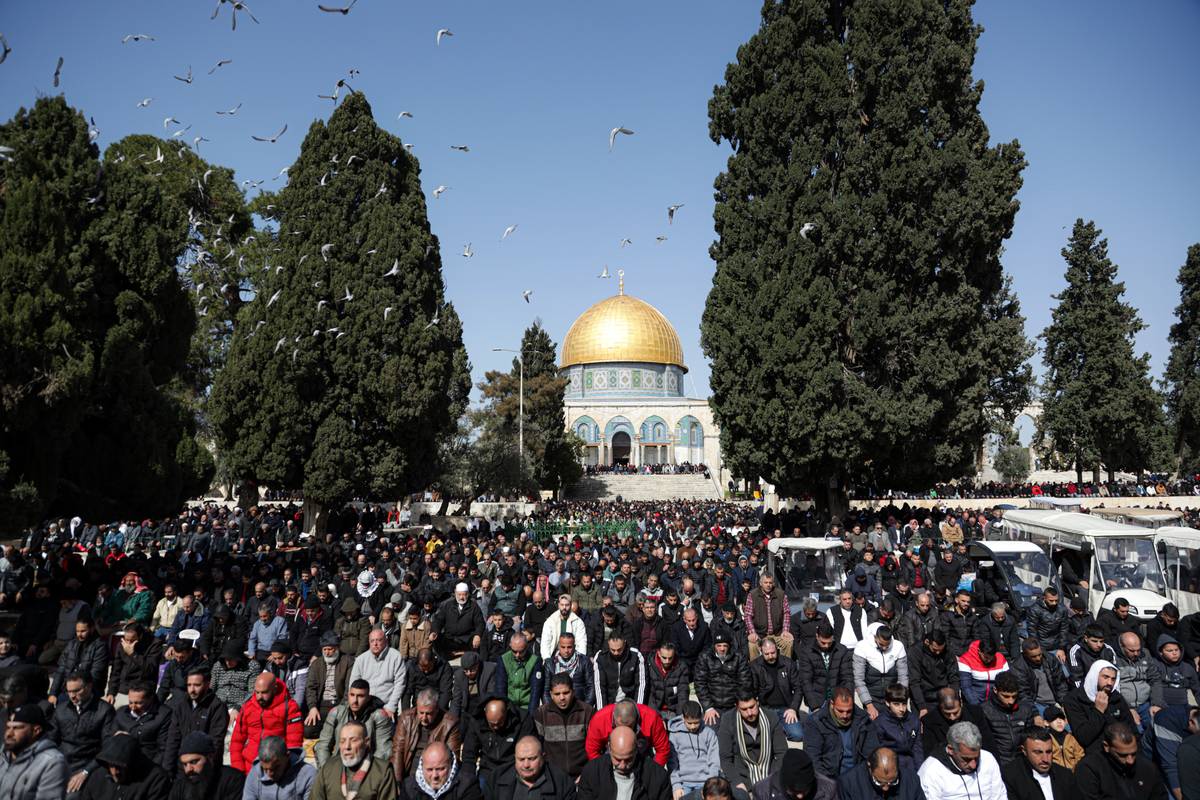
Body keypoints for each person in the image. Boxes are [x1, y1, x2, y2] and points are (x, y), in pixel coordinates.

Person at [50, 672, 113, 795]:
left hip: (86, 766)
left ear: (89, 687)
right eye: (69, 691)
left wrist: (86, 772)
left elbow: (107, 748)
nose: (72, 696)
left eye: (76, 691)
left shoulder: (104, 711)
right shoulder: (61, 709)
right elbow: (51, 739)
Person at [229, 674, 303, 774]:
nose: (259, 697)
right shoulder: (248, 707)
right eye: (257, 692)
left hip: (276, 768)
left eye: (264, 692)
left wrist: (284, 770)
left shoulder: (290, 708)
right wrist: (238, 770)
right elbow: (236, 742)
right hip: (250, 767)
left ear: (274, 689)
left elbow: (294, 744)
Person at [802, 687, 881, 780]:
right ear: (832, 704)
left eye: (849, 711)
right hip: (830, 778)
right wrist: (828, 783)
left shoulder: (863, 720)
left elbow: (872, 752)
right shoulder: (816, 722)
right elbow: (813, 758)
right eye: (840, 711)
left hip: (858, 776)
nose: (845, 715)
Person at [1075, 721, 1168, 800]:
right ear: (1106, 747)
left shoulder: (1147, 768)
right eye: (1122, 755)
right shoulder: (1089, 769)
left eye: (1133, 753)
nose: (1130, 760)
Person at [916, 721, 1006, 800]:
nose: (973, 765)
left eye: (976, 757)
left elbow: (999, 796)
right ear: (951, 749)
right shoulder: (931, 771)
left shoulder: (988, 758)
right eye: (966, 759)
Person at [1156, 635, 1199, 797]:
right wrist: (1158, 705)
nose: (1174, 653)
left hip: (1184, 709)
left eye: (1176, 650)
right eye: (1169, 651)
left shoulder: (1187, 668)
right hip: (1164, 710)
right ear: (1161, 652)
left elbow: (1196, 689)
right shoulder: (1157, 666)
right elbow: (1155, 686)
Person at [315, 679, 394, 767]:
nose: (355, 701)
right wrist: (327, 770)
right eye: (352, 695)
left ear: (368, 698)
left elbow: (384, 751)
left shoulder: (379, 716)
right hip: (340, 764)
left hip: (368, 765)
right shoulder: (336, 712)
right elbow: (323, 745)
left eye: (360, 696)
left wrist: (370, 772)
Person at [311, 719, 397, 800]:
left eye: (354, 740)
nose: (347, 746)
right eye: (342, 741)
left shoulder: (383, 771)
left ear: (366, 742)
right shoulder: (329, 767)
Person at [577, 727, 671, 800]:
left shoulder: (657, 777)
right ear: (609, 748)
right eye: (617, 759)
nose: (622, 766)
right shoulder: (592, 772)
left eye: (628, 759)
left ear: (636, 750)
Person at [1062, 659, 1135, 753]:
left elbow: (1132, 729)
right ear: (1095, 676)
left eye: (1113, 679)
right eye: (1105, 677)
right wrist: (1099, 711)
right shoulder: (1074, 699)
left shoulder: (1116, 697)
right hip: (1094, 755)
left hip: (1121, 751)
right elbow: (1084, 737)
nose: (1110, 683)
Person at [104, 680, 179, 772]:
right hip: (121, 764)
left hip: (147, 765)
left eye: (138, 703)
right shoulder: (121, 713)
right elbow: (108, 739)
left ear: (150, 699)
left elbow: (163, 749)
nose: (133, 707)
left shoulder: (163, 715)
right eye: (130, 702)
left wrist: (152, 771)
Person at [391, 687, 462, 781]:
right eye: (421, 713)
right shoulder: (406, 719)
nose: (424, 718)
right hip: (410, 770)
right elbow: (398, 751)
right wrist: (397, 782)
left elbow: (452, 757)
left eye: (428, 714)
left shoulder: (450, 724)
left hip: (434, 772)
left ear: (437, 710)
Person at [0, 704, 68, 800]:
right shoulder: (4, 756)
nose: (9, 734)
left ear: (36, 730)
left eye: (17, 728)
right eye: (8, 727)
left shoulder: (52, 762)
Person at [533, 674, 593, 780]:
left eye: (566, 693)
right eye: (557, 694)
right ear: (551, 694)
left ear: (573, 692)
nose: (562, 698)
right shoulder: (541, 714)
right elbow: (536, 748)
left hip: (583, 776)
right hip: (552, 778)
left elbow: (595, 747)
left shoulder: (587, 712)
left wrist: (587, 773)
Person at [1113, 631, 1163, 755]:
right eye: (1131, 650)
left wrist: (1156, 703)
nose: (1136, 653)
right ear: (1122, 646)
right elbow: (1112, 687)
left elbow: (1155, 679)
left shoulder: (1145, 654)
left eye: (1138, 650)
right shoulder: (1112, 656)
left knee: (1158, 728)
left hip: (1145, 704)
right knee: (1137, 732)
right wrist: (1127, 708)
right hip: (1125, 705)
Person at [77, 733, 169, 800]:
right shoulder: (98, 777)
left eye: (120, 767)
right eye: (111, 765)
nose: (115, 772)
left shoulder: (156, 779)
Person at [584, 699, 671, 767]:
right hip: (611, 760)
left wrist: (653, 772)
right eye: (620, 726)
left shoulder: (651, 718)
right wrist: (602, 770)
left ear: (636, 718)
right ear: (614, 718)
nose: (624, 731)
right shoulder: (599, 719)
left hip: (642, 758)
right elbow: (592, 750)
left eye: (629, 726)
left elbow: (663, 749)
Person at [485, 735, 575, 800]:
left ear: (543, 757)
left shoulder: (562, 782)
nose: (526, 765)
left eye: (532, 759)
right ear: (515, 757)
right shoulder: (496, 779)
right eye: (521, 759)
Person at [168, 667, 230, 763]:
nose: (192, 690)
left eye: (197, 685)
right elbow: (173, 739)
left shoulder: (217, 707)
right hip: (181, 764)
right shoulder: (181, 705)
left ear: (207, 684)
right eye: (189, 685)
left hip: (205, 766)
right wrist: (168, 768)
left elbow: (215, 743)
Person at [1000, 728, 1080, 800]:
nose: (1045, 759)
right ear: (1024, 751)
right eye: (1038, 752)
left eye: (1049, 752)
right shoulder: (1010, 777)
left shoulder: (1065, 776)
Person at [920, 688, 995, 765]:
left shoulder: (976, 713)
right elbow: (931, 751)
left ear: (961, 703)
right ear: (940, 708)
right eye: (947, 714)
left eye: (955, 712)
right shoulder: (930, 721)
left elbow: (988, 743)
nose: (952, 717)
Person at [748, 638, 804, 741]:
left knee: (798, 735)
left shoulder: (788, 664)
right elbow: (752, 690)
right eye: (767, 654)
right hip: (765, 709)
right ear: (761, 651)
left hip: (785, 709)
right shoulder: (754, 666)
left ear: (777, 649)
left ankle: (778, 727)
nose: (770, 656)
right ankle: (777, 728)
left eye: (773, 653)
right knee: (758, 737)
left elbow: (798, 688)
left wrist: (793, 708)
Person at [978, 670, 1034, 765]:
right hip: (997, 762)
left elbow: (1030, 739)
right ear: (995, 690)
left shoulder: (1025, 709)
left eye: (1014, 696)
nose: (1011, 701)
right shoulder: (984, 710)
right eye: (1006, 696)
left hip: (1022, 762)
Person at [305, 631, 354, 738]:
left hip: (339, 704)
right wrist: (312, 707)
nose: (327, 653)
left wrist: (342, 708)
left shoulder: (348, 661)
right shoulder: (316, 664)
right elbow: (310, 688)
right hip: (321, 705)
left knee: (340, 733)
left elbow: (348, 689)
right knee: (308, 731)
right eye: (325, 649)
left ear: (337, 648)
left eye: (330, 649)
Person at [694, 632, 751, 726]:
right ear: (714, 645)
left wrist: (740, 704)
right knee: (712, 733)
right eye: (719, 645)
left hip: (733, 705)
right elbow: (700, 683)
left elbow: (745, 682)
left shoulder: (738, 658)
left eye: (725, 645)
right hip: (713, 706)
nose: (722, 648)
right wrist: (708, 707)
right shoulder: (705, 657)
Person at [168, 731, 244, 800]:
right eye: (185, 764)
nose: (188, 769)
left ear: (210, 757)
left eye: (194, 762)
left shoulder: (233, 780)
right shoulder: (180, 786)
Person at [853, 623, 908, 719]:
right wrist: (869, 705)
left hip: (892, 696)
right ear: (875, 638)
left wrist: (899, 700)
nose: (884, 648)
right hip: (871, 696)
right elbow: (858, 679)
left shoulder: (898, 647)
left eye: (887, 645)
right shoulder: (862, 647)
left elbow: (903, 676)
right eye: (881, 644)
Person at [667, 701, 720, 800]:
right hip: (683, 783)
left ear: (701, 718)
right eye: (689, 723)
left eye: (696, 723)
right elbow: (672, 762)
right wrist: (676, 785)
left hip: (705, 782)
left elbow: (714, 761)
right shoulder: (675, 734)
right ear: (683, 718)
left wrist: (711, 784)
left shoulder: (709, 733)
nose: (692, 727)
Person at [349, 629, 407, 719]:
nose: (375, 644)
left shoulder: (396, 657)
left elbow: (400, 684)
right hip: (364, 707)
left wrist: (391, 707)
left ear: (386, 641)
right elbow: (353, 685)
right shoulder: (361, 659)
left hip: (386, 706)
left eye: (379, 640)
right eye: (372, 641)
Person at [48, 617, 109, 703]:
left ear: (92, 629)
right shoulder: (71, 644)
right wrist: (53, 693)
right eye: (77, 631)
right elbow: (61, 670)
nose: (79, 634)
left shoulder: (100, 647)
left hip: (88, 692)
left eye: (83, 631)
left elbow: (95, 675)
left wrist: (76, 691)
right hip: (67, 690)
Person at [797, 623, 854, 713]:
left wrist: (847, 700)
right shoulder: (807, 652)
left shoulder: (841, 650)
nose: (826, 646)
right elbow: (805, 681)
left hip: (838, 699)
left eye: (829, 643)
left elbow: (847, 678)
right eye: (823, 643)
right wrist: (814, 706)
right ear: (817, 636)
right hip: (817, 700)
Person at [1007, 638, 1070, 718]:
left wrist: (1064, 703)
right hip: (1037, 704)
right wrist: (1035, 714)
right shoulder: (1018, 668)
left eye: (1039, 654)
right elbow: (1023, 695)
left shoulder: (1050, 659)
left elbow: (1061, 684)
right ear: (1025, 654)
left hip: (1056, 702)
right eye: (1033, 656)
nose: (1038, 658)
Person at [242, 736, 317, 800]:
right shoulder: (255, 774)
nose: (269, 774)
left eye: (275, 768)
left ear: (287, 756)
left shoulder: (308, 774)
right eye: (265, 769)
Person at [399, 741, 481, 800]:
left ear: (451, 765)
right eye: (429, 770)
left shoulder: (467, 786)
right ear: (422, 767)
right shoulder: (409, 787)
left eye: (440, 769)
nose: (435, 775)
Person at [835, 746, 921, 800]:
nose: (886, 788)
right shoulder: (848, 783)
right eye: (879, 782)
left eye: (893, 781)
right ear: (869, 767)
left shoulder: (911, 781)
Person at [872, 684, 923, 773]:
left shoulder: (914, 720)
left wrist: (921, 771)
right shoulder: (880, 723)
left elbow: (917, 748)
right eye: (896, 704)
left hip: (910, 764)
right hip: (889, 764)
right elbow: (877, 750)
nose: (901, 709)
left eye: (904, 704)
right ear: (887, 703)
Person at [744, 573, 793, 660]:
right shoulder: (752, 595)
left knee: (788, 642)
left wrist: (785, 631)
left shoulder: (781, 594)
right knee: (752, 645)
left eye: (770, 583)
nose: (768, 585)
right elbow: (748, 616)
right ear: (761, 583)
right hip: (760, 634)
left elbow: (786, 613)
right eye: (766, 582)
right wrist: (752, 632)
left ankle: (786, 667)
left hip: (777, 634)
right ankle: (756, 670)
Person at [495, 631, 545, 716]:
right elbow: (501, 688)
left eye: (521, 652)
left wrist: (530, 716)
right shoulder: (503, 660)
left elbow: (535, 690)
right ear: (510, 646)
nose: (517, 655)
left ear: (526, 647)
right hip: (509, 707)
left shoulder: (535, 661)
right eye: (514, 651)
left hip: (527, 707)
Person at [432, 583, 485, 658]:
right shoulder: (448, 605)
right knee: (436, 639)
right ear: (455, 593)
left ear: (468, 594)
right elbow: (438, 620)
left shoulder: (473, 606)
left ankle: (464, 654)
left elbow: (480, 623)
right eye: (459, 595)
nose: (461, 597)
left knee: (479, 640)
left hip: (466, 639)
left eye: (464, 595)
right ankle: (448, 657)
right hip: (450, 638)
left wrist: (478, 635)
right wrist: (435, 631)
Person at [1024, 587, 1070, 663]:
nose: (1054, 603)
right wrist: (1038, 649)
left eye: (1056, 600)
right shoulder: (1035, 609)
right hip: (1041, 646)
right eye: (1051, 600)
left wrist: (1061, 648)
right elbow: (1032, 630)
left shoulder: (1062, 609)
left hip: (1057, 646)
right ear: (1044, 598)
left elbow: (1064, 629)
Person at [957, 638, 1008, 705]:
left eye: (992, 657)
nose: (989, 660)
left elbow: (1006, 681)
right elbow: (966, 687)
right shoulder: (966, 660)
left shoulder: (1000, 658)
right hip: (974, 701)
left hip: (995, 703)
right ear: (979, 651)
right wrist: (976, 706)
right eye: (986, 657)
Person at [450, 652, 497, 720]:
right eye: (466, 670)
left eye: (472, 670)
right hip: (467, 708)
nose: (468, 673)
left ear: (477, 665)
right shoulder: (459, 675)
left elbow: (490, 694)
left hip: (483, 707)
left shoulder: (489, 670)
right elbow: (456, 700)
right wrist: (452, 719)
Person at [541, 594, 588, 659]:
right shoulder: (550, 621)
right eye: (562, 605)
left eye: (567, 605)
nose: (564, 608)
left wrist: (580, 660)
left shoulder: (578, 622)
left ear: (570, 605)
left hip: (572, 656)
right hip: (554, 656)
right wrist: (547, 659)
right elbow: (545, 643)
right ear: (558, 605)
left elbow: (581, 643)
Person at [1041, 705, 1085, 770]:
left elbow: (1080, 756)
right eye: (1054, 719)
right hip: (1056, 774)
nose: (1059, 721)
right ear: (1046, 723)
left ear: (1065, 721)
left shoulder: (1072, 738)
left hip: (1074, 773)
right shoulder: (1045, 740)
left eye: (1061, 718)